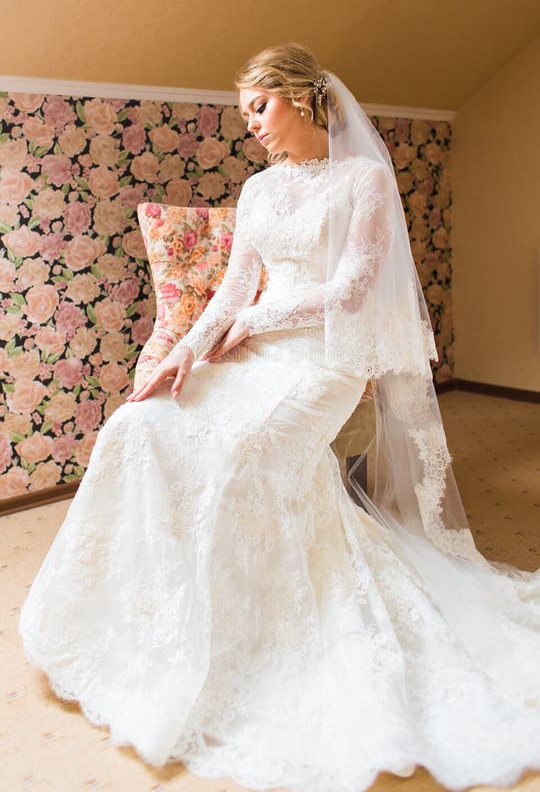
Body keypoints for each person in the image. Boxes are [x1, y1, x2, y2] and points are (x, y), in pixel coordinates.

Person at [19, 43, 540, 792]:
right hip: (254, 354)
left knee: (243, 455)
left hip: (325, 362)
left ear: (301, 97)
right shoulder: (259, 191)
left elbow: (355, 286)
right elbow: (231, 294)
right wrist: (185, 355)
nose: (252, 126)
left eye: (259, 107)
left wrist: (262, 318)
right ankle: (153, 621)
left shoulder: (364, 180)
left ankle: (258, 637)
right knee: (139, 427)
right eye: (245, 115)